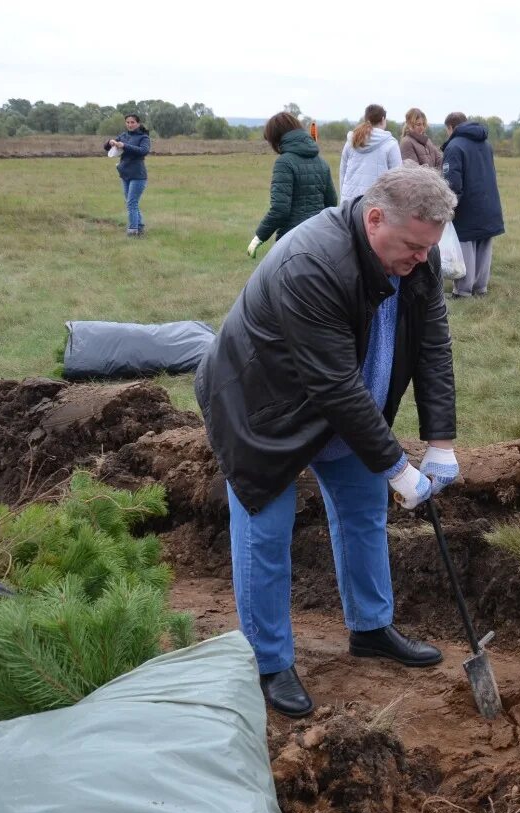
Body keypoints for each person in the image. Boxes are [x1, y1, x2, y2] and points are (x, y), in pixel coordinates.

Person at [195, 165, 461, 717]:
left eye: (428, 247)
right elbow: (333, 383)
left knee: (363, 512)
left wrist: (440, 443)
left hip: (345, 404)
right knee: (266, 533)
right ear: (373, 219)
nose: (421, 258)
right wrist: (396, 466)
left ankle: (371, 628)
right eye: (413, 246)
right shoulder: (310, 262)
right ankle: (268, 663)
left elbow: (433, 343)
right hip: (262, 407)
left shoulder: (419, 252)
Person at [247, 111, 337, 258]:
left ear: (276, 138)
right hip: (320, 241)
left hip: (292, 242)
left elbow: (280, 209)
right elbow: (331, 203)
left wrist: (259, 237)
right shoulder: (322, 162)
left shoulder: (284, 162)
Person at [441, 112, 505, 297]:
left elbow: (452, 181)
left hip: (467, 205)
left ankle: (463, 290)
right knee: (484, 244)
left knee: (465, 244)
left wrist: (449, 204)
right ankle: (480, 287)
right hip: (488, 202)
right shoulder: (485, 143)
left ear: (451, 127)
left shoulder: (454, 146)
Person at [103, 113, 151, 237]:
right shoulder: (123, 136)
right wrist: (110, 142)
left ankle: (133, 231)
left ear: (138, 123)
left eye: (132, 122)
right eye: (128, 122)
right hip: (125, 174)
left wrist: (124, 145)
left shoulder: (143, 137)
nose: (130, 125)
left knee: (131, 203)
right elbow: (106, 147)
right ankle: (139, 228)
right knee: (131, 203)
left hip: (138, 175)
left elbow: (143, 151)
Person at [340, 104, 401, 201]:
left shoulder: (351, 141)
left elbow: (343, 173)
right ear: (383, 119)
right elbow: (397, 179)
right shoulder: (390, 144)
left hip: (349, 204)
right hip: (376, 206)